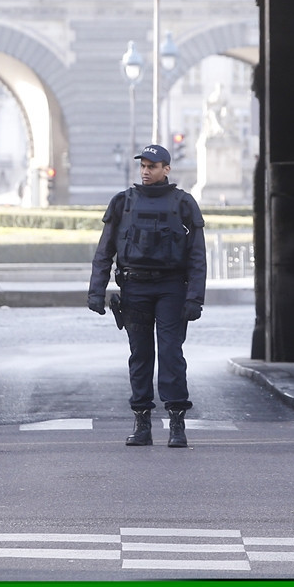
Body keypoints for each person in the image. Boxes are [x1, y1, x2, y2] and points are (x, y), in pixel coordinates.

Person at [87, 143, 206, 448]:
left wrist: (195, 298)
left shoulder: (183, 203)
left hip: (171, 288)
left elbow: (196, 256)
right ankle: (142, 423)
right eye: (142, 166)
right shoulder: (123, 203)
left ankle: (177, 424)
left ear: (166, 169)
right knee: (140, 356)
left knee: (171, 355)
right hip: (135, 287)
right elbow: (105, 251)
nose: (145, 171)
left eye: (152, 166)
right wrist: (96, 291)